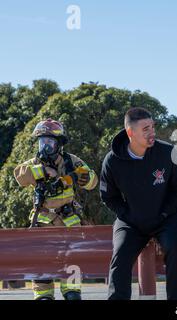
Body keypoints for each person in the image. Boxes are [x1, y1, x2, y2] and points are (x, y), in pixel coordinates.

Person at [100, 107, 177, 300]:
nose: (152, 132)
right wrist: (127, 215)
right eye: (145, 129)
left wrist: (165, 214)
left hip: (167, 218)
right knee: (120, 256)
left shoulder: (168, 153)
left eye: (152, 127)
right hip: (131, 221)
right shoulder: (112, 161)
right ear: (130, 132)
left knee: (176, 249)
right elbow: (109, 196)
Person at [14, 118, 98, 300]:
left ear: (58, 144)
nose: (45, 146)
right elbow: (19, 176)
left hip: (70, 223)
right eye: (41, 141)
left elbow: (92, 181)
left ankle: (72, 292)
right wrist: (43, 172)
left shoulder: (70, 161)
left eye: (49, 142)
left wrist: (75, 178)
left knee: (72, 288)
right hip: (43, 225)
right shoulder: (33, 162)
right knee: (43, 285)